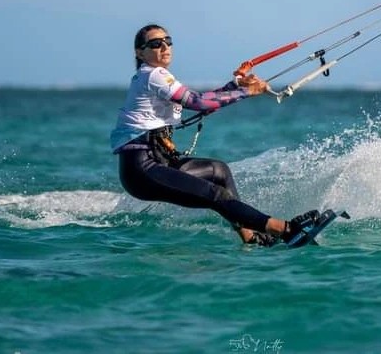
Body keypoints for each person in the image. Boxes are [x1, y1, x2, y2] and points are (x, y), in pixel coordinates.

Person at [110, 23, 319, 246]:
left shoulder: (156, 77)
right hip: (142, 169)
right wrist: (247, 91)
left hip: (159, 163)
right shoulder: (153, 75)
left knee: (219, 171)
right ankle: (285, 229)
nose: (164, 46)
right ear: (140, 52)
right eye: (155, 44)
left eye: (167, 41)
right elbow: (197, 103)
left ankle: (250, 237)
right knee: (215, 195)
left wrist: (235, 85)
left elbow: (203, 100)